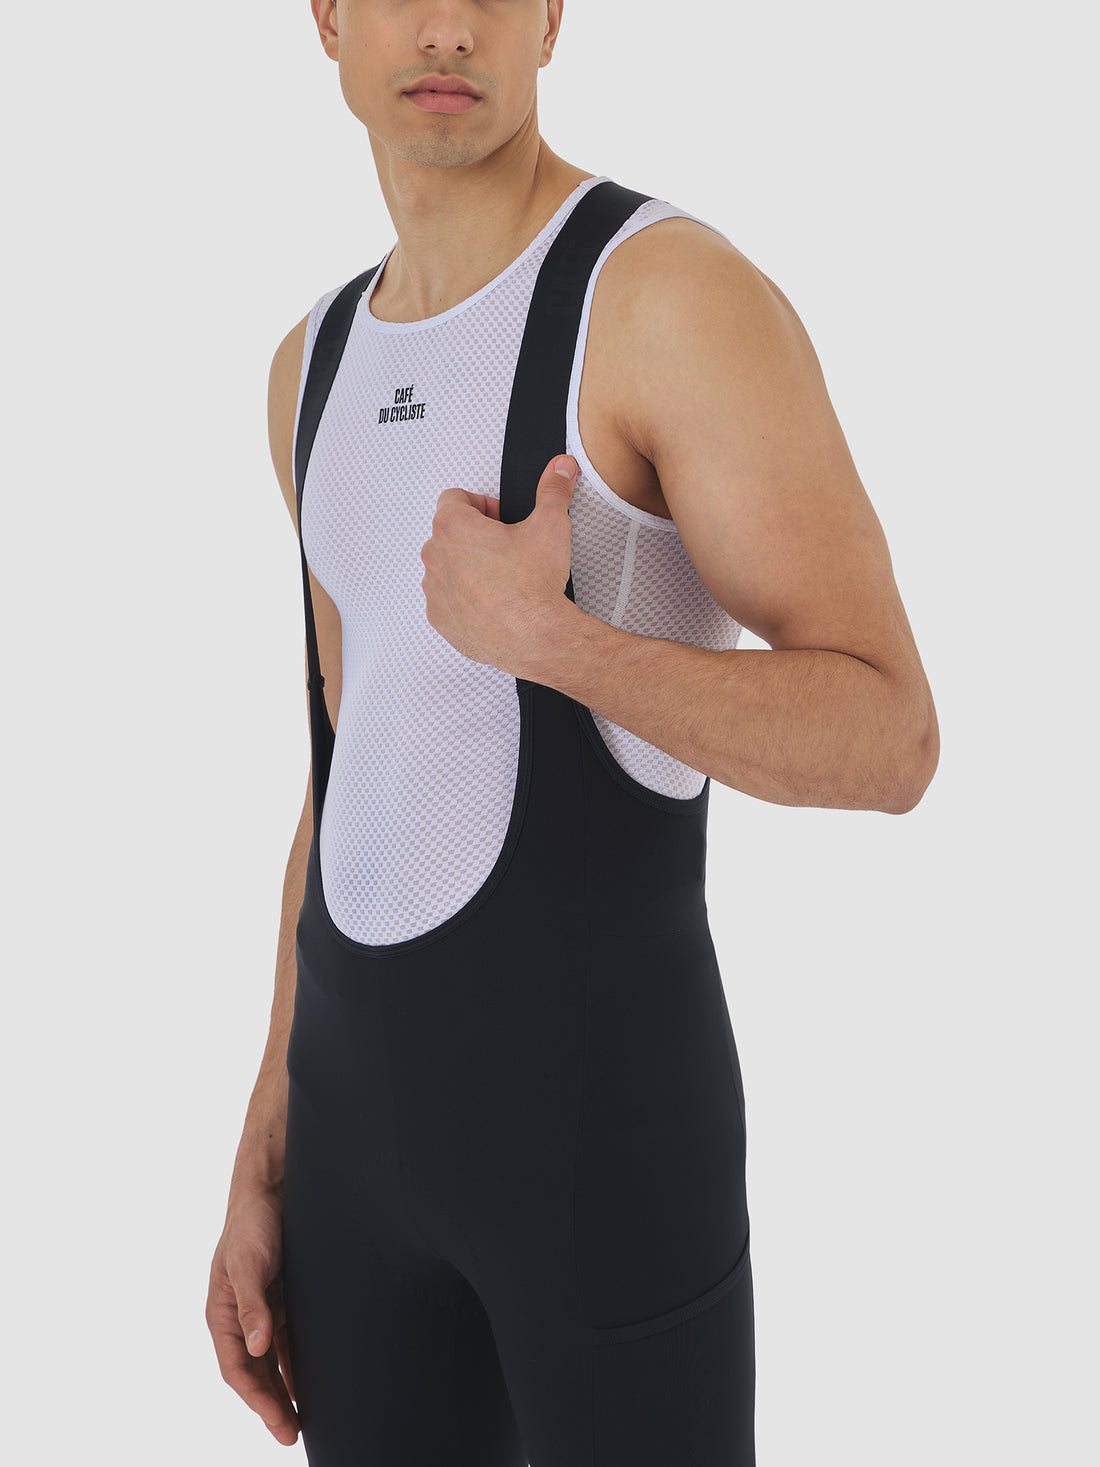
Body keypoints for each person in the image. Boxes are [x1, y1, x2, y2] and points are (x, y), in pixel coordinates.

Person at [205, 1, 939, 1462]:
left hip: (605, 1146)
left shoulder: (664, 298)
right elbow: (350, 765)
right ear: (328, 18)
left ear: (551, 18)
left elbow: (889, 734)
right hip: (351, 1163)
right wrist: (265, 1142)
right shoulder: (308, 367)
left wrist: (557, 644)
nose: (447, 25)